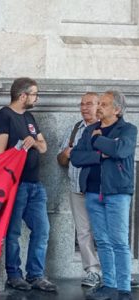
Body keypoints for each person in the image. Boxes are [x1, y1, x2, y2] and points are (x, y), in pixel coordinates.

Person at [0, 77, 57, 292]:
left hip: (35, 183)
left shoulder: (28, 117)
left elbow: (44, 147)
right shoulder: (3, 117)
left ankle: (36, 274)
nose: (36, 98)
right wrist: (19, 149)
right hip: (15, 184)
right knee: (13, 231)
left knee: (42, 229)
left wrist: (34, 142)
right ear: (22, 95)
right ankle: (13, 274)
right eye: (34, 94)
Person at [71, 90, 136, 300]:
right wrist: (100, 154)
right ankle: (109, 286)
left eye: (104, 105)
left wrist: (98, 140)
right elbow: (76, 157)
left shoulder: (128, 130)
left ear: (117, 109)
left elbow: (120, 150)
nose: (99, 108)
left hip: (117, 192)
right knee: (103, 241)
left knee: (119, 241)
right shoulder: (88, 130)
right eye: (99, 104)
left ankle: (125, 291)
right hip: (92, 192)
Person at [57, 92, 102, 287]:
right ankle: (92, 271)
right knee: (83, 232)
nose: (84, 107)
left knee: (105, 231)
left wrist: (81, 156)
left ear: (99, 106)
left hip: (99, 189)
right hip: (76, 188)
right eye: (82, 104)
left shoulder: (104, 128)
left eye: (89, 104)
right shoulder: (75, 129)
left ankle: (114, 271)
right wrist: (66, 154)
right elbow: (61, 160)